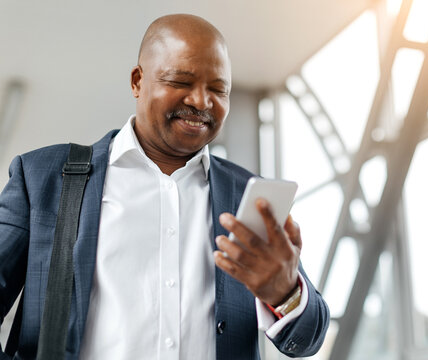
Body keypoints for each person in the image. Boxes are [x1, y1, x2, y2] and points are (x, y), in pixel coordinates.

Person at [0, 13, 329, 360]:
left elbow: (309, 339)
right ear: (137, 81)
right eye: (181, 81)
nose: (202, 101)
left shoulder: (249, 194)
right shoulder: (43, 178)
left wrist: (285, 293)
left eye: (219, 89)